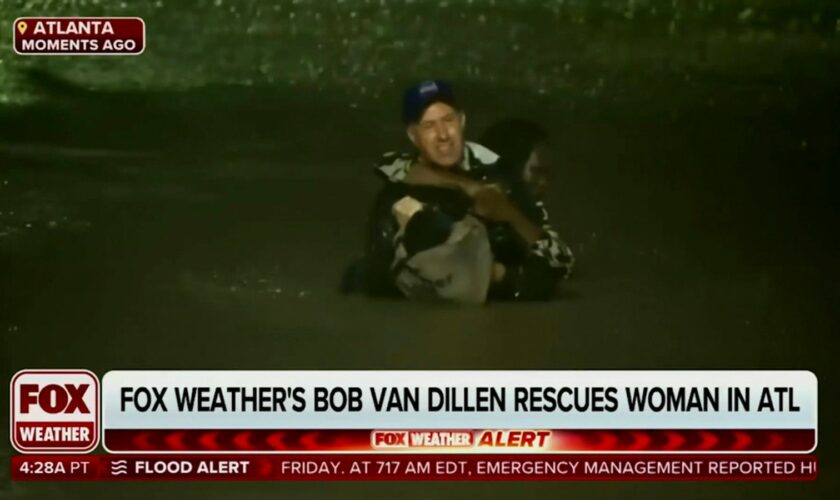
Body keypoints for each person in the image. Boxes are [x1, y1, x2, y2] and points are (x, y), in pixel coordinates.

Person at [343, 80, 572, 301]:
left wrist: (506, 212)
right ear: (414, 135)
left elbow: (561, 261)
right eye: (429, 126)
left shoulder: (496, 173)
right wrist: (469, 188)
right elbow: (386, 164)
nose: (443, 135)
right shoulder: (400, 178)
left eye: (448, 120)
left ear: (461, 121)